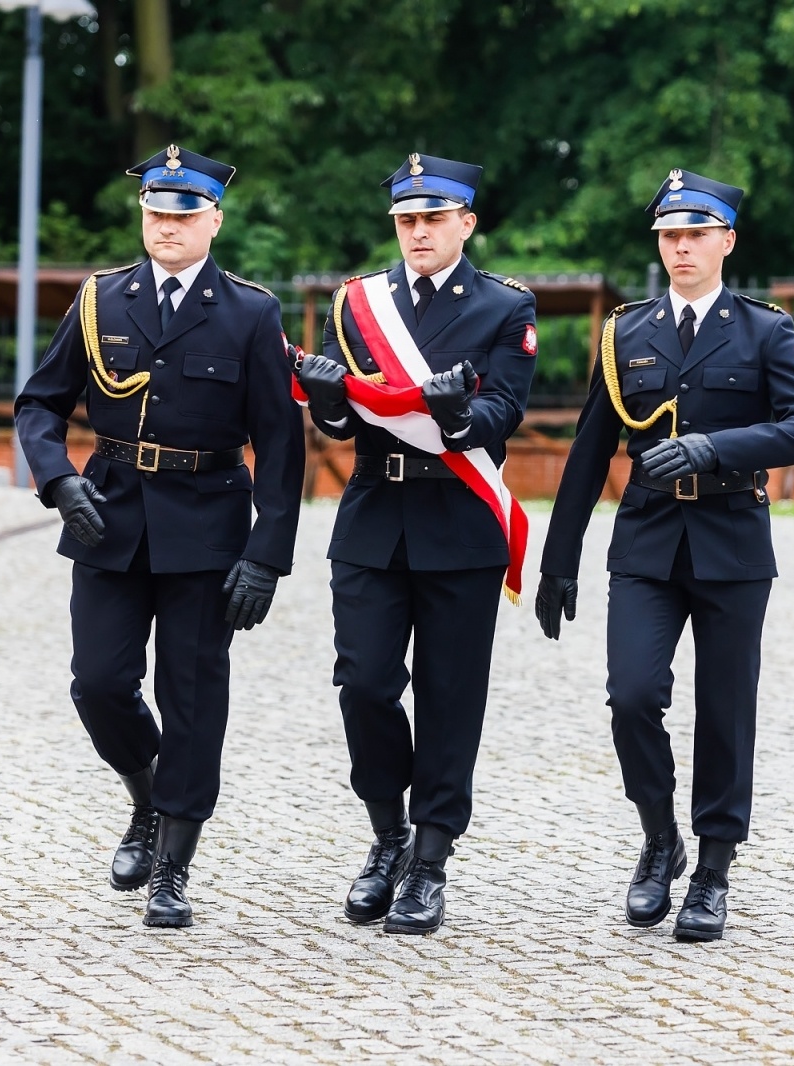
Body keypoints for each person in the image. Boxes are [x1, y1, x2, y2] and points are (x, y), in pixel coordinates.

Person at [534, 169, 794, 941]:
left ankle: (713, 871)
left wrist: (711, 447)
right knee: (632, 694)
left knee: (727, 712)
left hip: (733, 541)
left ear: (726, 240)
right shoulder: (626, 333)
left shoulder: (766, 331)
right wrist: (558, 560)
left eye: (697, 234)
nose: (681, 247)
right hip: (647, 543)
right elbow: (591, 449)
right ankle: (659, 837)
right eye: (669, 235)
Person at [14, 145, 304, 928]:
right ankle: (145, 795)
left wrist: (266, 555)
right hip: (106, 515)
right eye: (154, 212)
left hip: (208, 525)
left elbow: (280, 446)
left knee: (193, 694)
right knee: (99, 682)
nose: (165, 226)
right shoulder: (102, 299)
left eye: (181, 214)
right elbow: (39, 404)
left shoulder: (250, 311)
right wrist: (58, 477)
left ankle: (173, 865)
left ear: (214, 218)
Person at [291, 153, 536, 934]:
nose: (419, 231)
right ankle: (386, 832)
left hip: (458, 520)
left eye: (434, 218)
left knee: (449, 695)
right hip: (372, 511)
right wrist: (328, 408)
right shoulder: (357, 302)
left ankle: (429, 858)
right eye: (407, 220)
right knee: (363, 682)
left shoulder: (504, 306)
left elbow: (504, 412)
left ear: (467, 222)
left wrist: (458, 417)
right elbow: (345, 415)